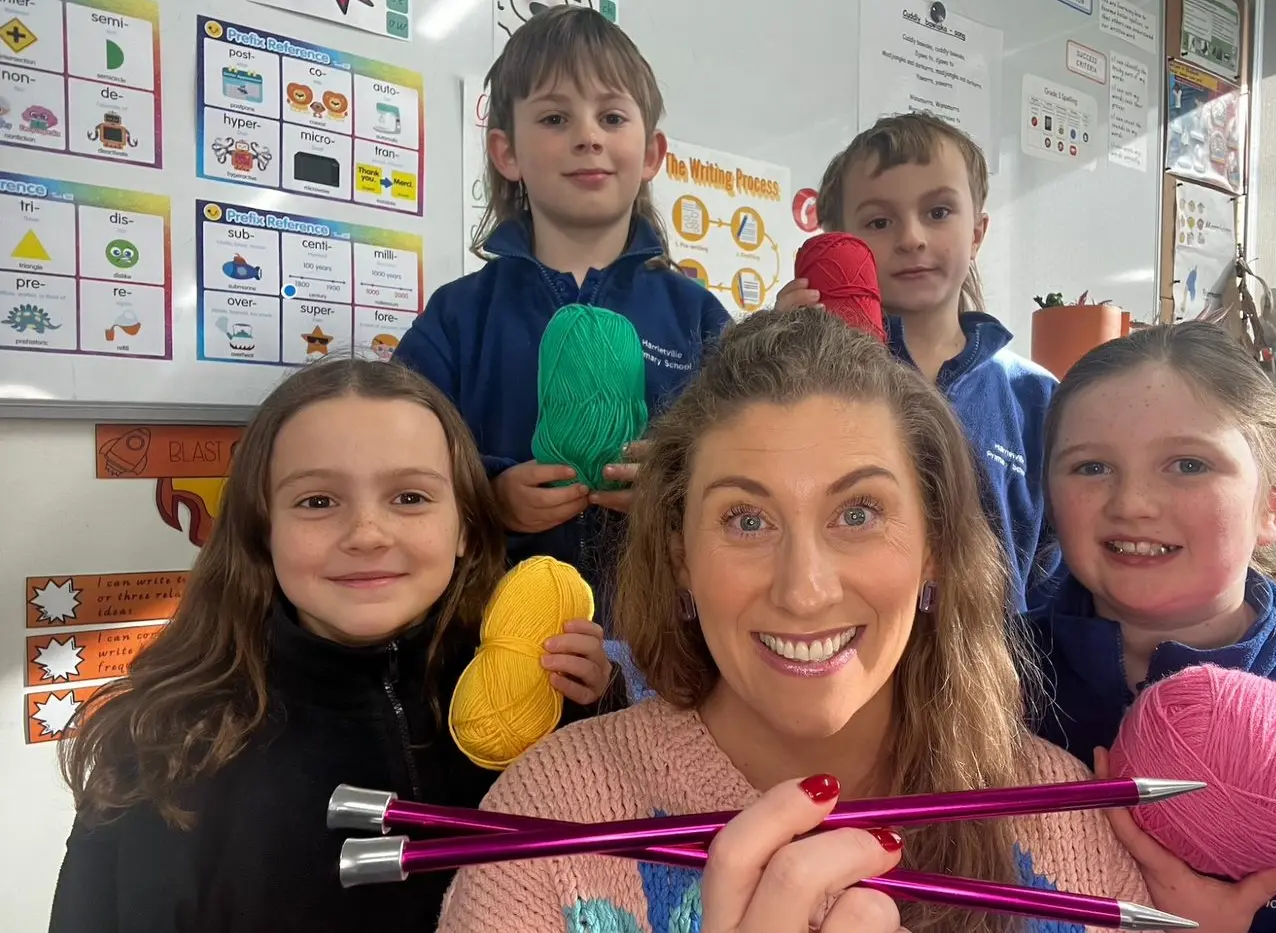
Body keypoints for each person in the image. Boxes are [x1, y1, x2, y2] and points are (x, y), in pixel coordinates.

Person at [434, 308, 1153, 933]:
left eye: (859, 513)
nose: (804, 591)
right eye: (746, 519)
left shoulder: (1061, 824)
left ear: (935, 549)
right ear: (681, 557)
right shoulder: (550, 826)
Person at [48, 359, 620, 933]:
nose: (367, 534)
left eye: (410, 497)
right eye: (318, 501)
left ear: (467, 526)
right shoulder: (162, 749)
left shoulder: (539, 704)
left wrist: (602, 717)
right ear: (261, 527)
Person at [1028, 321, 1276, 932]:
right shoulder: (979, 674)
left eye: (1189, 464)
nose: (1134, 503)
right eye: (1091, 467)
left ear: (1275, 502)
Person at [391, 7, 731, 651]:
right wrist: (489, 495)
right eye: (554, 118)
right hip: (489, 637)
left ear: (652, 152)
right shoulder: (460, 315)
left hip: (662, 646)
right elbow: (399, 459)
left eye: (612, 116)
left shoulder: (695, 315)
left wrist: (676, 486)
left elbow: (747, 452)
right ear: (507, 152)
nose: (588, 137)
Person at [777, 113, 1059, 612]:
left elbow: (1054, 564)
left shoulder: (1034, 398)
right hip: (845, 648)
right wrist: (780, 357)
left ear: (977, 232)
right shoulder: (808, 371)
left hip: (998, 670)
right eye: (879, 222)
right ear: (839, 240)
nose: (911, 238)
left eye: (938, 212)